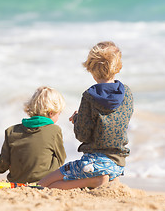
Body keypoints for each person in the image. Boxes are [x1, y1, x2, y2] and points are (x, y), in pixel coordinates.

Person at [38, 41, 134, 190]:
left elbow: (82, 135)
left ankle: (95, 181)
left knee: (49, 182)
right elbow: (119, 120)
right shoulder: (127, 93)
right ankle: (103, 179)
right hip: (118, 165)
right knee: (80, 175)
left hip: (93, 164)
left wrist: (77, 120)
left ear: (90, 68)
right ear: (117, 67)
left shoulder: (89, 96)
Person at [0, 86, 66, 184]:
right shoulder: (54, 130)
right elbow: (61, 159)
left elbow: (1, 167)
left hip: (16, 182)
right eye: (59, 113)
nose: (58, 117)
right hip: (43, 182)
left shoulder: (11, 131)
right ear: (50, 113)